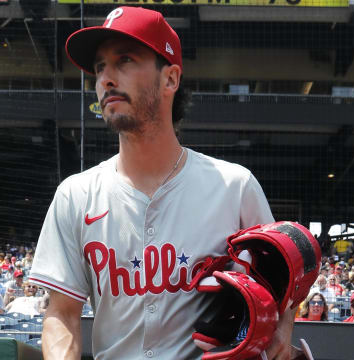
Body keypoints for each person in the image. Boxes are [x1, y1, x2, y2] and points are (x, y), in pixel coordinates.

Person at [30, 7, 297, 360]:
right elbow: (61, 315)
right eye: (99, 67)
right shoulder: (75, 195)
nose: (106, 78)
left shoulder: (234, 187)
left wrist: (282, 324)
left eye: (124, 61)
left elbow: (279, 289)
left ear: (170, 79)